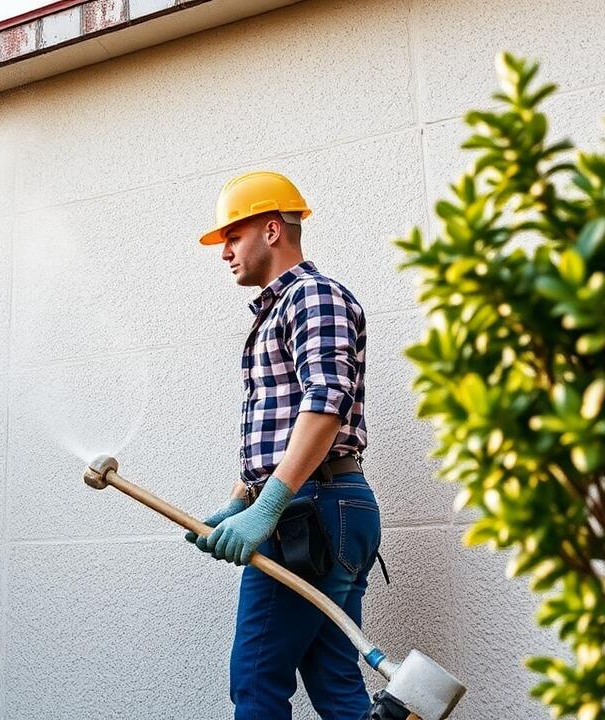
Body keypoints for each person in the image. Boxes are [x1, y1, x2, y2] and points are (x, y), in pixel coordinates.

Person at [185, 171, 383, 719]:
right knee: (336, 682)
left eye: (232, 236)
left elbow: (326, 401)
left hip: (308, 512)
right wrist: (240, 503)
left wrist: (268, 506)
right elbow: (277, 426)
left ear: (272, 230)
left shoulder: (313, 297)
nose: (224, 252)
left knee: (255, 681)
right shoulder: (279, 311)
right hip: (321, 506)